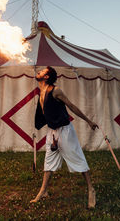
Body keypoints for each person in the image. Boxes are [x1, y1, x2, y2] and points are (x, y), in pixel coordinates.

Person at [30, 66, 99, 209]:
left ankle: (91, 190)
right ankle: (43, 191)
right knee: (49, 162)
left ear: (47, 76)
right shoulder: (41, 92)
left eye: (42, 71)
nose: (39, 72)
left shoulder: (56, 91)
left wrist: (88, 121)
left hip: (65, 131)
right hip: (52, 132)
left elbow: (72, 106)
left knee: (77, 159)